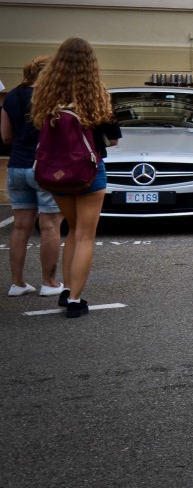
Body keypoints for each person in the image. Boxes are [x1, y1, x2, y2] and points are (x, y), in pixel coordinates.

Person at [29, 38, 121, 318]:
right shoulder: (95, 94)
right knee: (85, 236)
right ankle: (74, 300)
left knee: (71, 230)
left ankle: (68, 289)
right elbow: (113, 140)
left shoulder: (46, 94)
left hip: (55, 174)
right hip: (88, 172)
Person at [2, 55, 64, 298]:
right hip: (45, 167)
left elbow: (6, 137)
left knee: (19, 226)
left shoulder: (12, 96)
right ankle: (49, 282)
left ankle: (17, 283)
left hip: (16, 166)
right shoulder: (51, 98)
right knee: (49, 225)